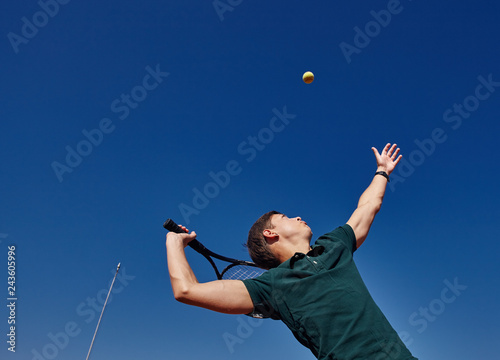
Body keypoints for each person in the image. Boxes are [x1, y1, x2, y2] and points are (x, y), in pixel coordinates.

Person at [166, 143, 418, 360]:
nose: (297, 216)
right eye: (285, 217)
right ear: (270, 233)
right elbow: (186, 291)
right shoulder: (270, 286)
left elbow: (368, 206)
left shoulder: (334, 246)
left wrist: (382, 171)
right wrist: (174, 242)